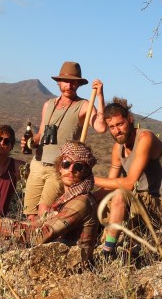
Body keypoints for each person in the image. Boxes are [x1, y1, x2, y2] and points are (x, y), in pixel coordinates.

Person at [0, 141, 100, 283]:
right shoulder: (67, 198)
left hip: (68, 268)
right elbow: (35, 224)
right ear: (59, 166)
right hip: (55, 257)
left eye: (78, 167)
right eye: (66, 164)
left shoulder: (81, 201)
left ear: (86, 172)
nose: (70, 170)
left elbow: (40, 235)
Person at [93, 97, 162, 255]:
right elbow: (108, 186)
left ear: (130, 119)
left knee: (120, 194)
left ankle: (108, 250)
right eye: (112, 127)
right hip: (140, 203)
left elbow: (128, 184)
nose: (117, 130)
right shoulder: (117, 148)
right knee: (94, 203)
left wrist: (91, 179)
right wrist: (87, 196)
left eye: (120, 124)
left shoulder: (145, 138)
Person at [21, 61, 105, 219]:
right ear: (59, 82)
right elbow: (41, 134)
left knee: (45, 213)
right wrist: (31, 142)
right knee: (30, 215)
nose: (70, 85)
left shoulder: (84, 105)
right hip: (38, 164)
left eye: (74, 82)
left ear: (79, 84)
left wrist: (100, 96)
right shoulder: (48, 105)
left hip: (61, 169)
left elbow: (101, 127)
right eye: (66, 81)